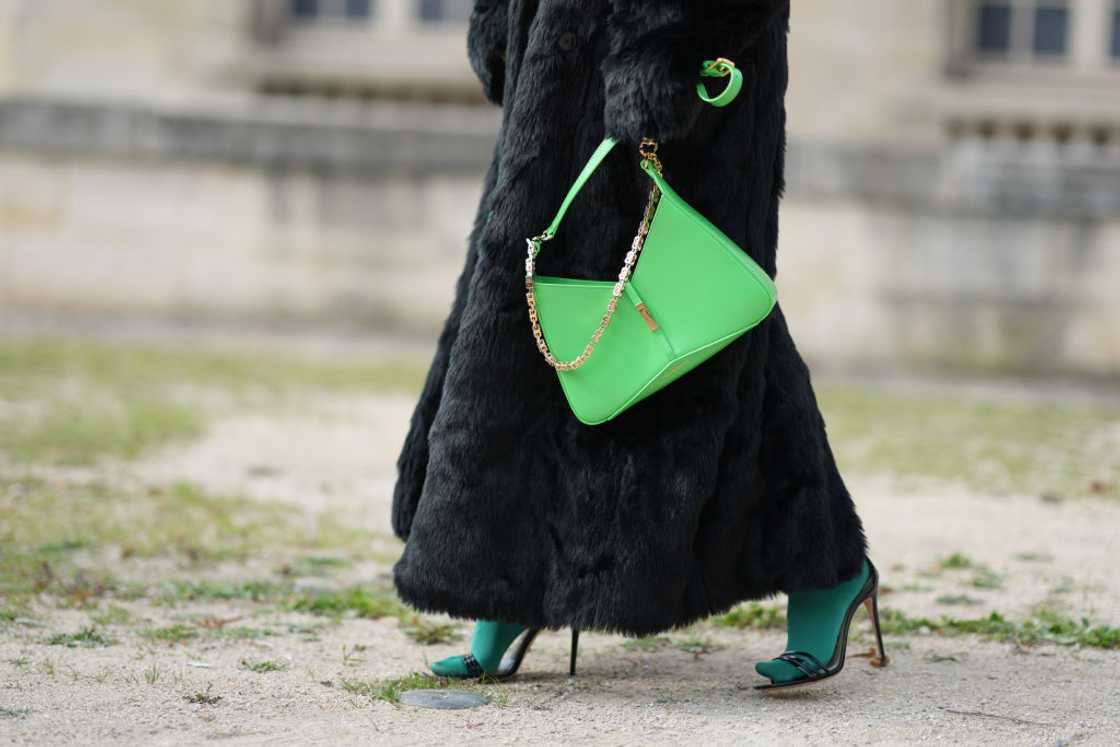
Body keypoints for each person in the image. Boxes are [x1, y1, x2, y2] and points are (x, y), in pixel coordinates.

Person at [390, 0, 887, 690]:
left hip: (682, 79)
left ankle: (826, 569)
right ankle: (503, 581)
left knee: (690, 329)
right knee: (525, 309)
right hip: (560, 57)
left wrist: (672, 52)